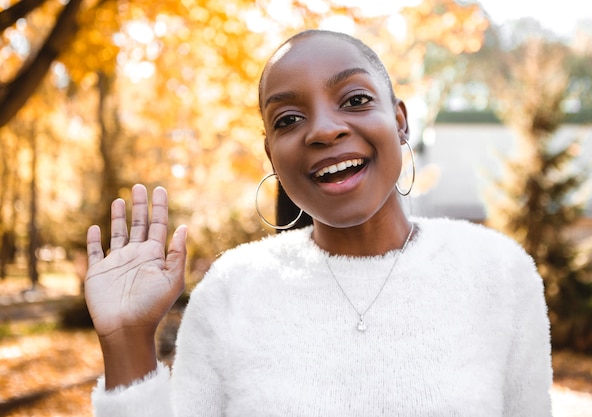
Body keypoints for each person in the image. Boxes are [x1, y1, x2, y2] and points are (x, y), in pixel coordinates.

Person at [86, 29, 553, 416]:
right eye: (288, 119)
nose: (325, 130)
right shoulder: (231, 290)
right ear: (271, 153)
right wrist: (126, 340)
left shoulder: (499, 273)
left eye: (353, 100)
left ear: (400, 121)